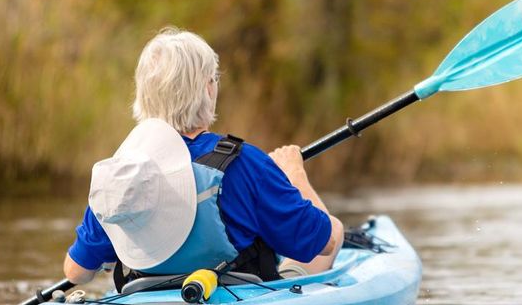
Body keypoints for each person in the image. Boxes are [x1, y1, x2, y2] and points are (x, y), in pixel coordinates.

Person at [63, 27, 344, 288]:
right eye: (213, 79)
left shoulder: (123, 175)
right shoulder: (246, 164)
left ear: (144, 95)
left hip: (145, 304)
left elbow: (76, 272)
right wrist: (295, 174)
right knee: (337, 230)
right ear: (208, 89)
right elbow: (325, 242)